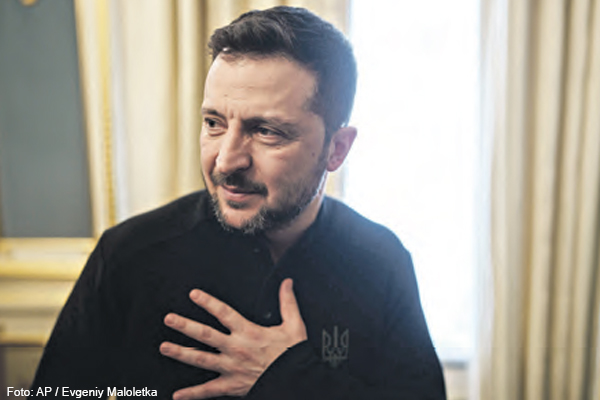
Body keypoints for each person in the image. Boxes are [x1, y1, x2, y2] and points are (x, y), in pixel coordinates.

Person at [30, 6, 446, 400]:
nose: (226, 160)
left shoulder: (382, 260)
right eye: (214, 123)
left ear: (336, 149)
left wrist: (294, 379)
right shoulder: (127, 255)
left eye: (266, 131)